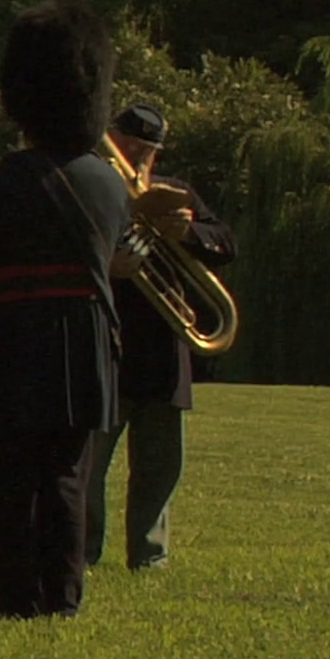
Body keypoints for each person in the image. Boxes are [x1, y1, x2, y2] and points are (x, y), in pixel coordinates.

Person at [0, 0, 132, 619]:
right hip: (84, 336)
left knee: (10, 479)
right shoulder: (109, 180)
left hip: (16, 333)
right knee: (67, 476)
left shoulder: (15, 177)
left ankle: (20, 599)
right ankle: (64, 597)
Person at [86, 103, 236, 570]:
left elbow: (225, 243)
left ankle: (150, 556)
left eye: (144, 150)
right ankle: (82, 550)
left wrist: (187, 231)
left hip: (162, 351)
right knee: (88, 463)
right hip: (106, 342)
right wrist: (108, 265)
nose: (135, 157)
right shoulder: (91, 191)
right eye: (127, 146)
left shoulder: (176, 193)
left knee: (159, 466)